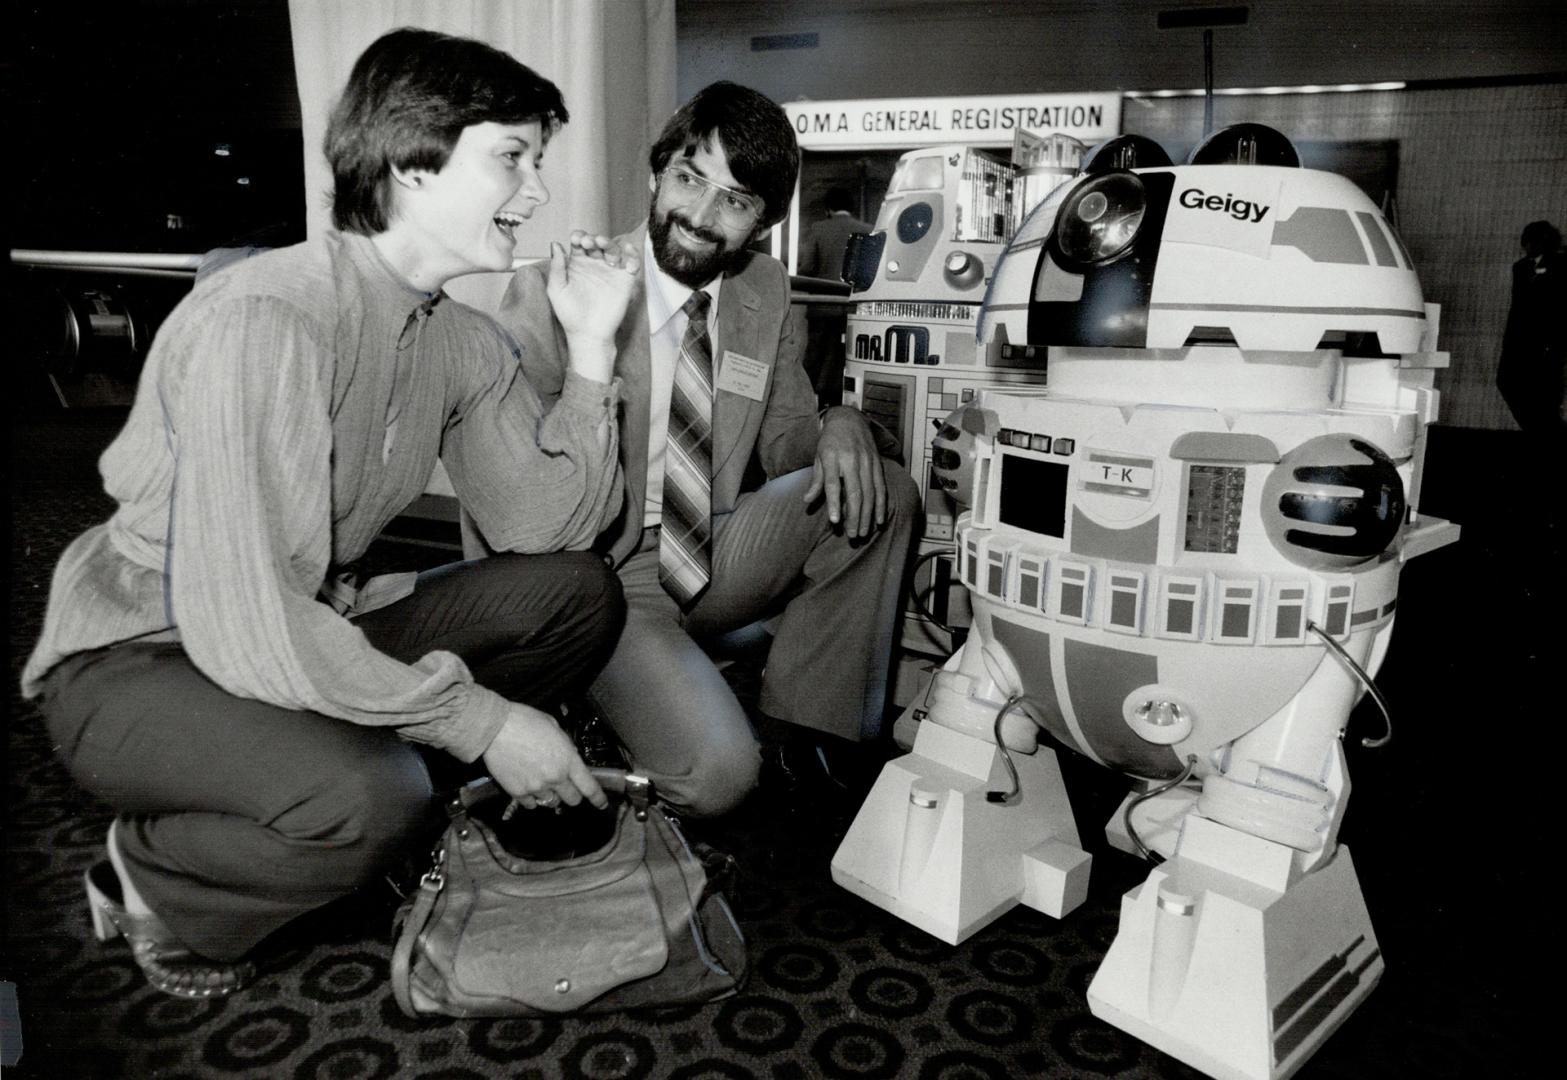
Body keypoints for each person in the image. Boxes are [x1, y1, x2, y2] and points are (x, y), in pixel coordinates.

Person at [20, 28, 641, 999]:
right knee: (370, 796)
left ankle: (345, 770)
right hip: (141, 657)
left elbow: (542, 529)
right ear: (409, 164)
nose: (538, 193)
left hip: (298, 622)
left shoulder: (459, 337)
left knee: (573, 596)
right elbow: (246, 617)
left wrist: (594, 355)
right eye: (513, 158)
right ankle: (151, 868)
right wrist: (481, 723)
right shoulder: (267, 321)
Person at [484, 81, 921, 819]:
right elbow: (510, 496)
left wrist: (840, 421)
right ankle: (600, 699)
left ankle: (806, 733)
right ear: (657, 173)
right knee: (717, 778)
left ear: (760, 224)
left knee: (883, 489)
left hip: (710, 548)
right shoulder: (554, 291)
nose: (699, 216)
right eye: (689, 179)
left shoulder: (763, 287)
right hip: (597, 575)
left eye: (735, 201)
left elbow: (787, 437)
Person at [1497, 219, 1566, 438]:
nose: (1528, 247)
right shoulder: (1520, 268)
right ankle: (1542, 430)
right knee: (1507, 381)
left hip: (1548, 342)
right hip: (1519, 340)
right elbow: (1518, 307)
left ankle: (1548, 434)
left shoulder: (1561, 264)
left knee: (1546, 394)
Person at [797, 186, 873, 282]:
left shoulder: (818, 228)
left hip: (827, 291)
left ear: (828, 208)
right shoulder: (868, 229)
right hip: (856, 293)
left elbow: (807, 267)